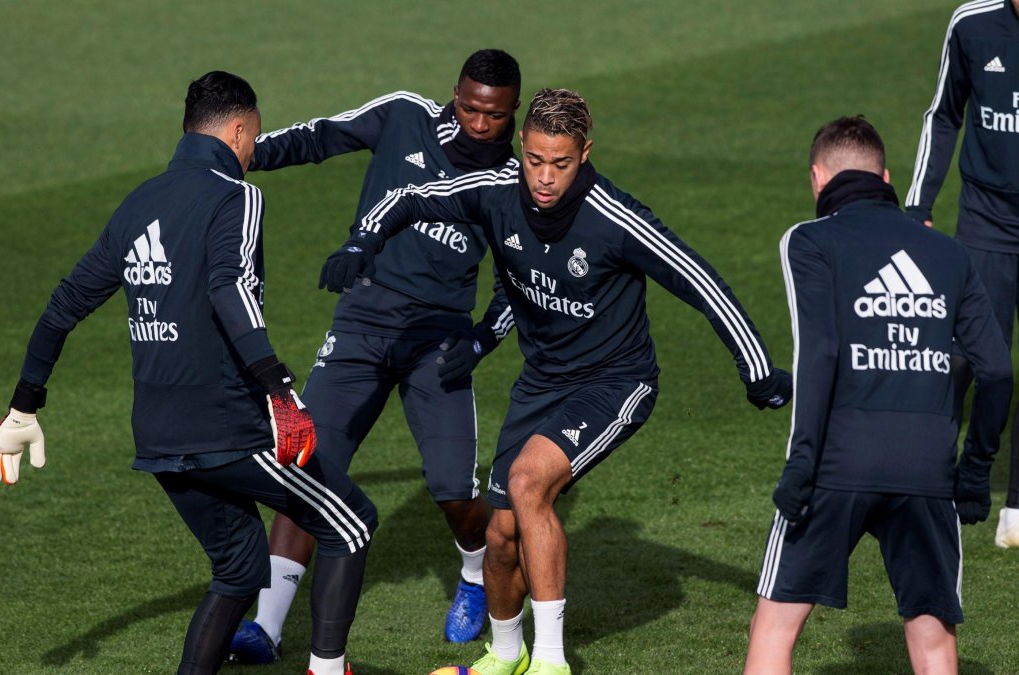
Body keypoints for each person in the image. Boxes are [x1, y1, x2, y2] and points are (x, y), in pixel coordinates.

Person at [318, 88, 792, 675]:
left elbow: (700, 281)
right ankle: (506, 654)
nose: (544, 177)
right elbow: (411, 198)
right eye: (535, 160)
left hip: (613, 383)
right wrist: (362, 241)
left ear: (585, 153)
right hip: (540, 384)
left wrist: (758, 369)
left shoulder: (616, 219)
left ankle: (549, 662)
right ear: (521, 146)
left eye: (560, 163)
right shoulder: (496, 191)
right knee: (499, 538)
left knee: (527, 482)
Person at [0, 70, 377, 675]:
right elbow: (228, 288)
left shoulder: (140, 201)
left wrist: (23, 407)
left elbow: (65, 304)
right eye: (254, 138)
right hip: (230, 427)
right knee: (349, 525)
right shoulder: (235, 195)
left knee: (242, 568)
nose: (252, 152)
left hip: (159, 437)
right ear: (240, 130)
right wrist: (280, 388)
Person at [228, 49, 521, 661]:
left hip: (438, 340)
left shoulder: (514, 186)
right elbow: (319, 138)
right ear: (455, 94)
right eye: (468, 108)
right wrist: (241, 155)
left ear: (512, 111)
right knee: (310, 462)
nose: (478, 123)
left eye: (493, 115)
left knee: (451, 489)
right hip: (362, 322)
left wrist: (479, 340)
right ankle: (268, 626)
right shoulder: (404, 115)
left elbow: (516, 286)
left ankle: (472, 573)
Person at [745, 116, 1012, 675]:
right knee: (933, 640)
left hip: (837, 466)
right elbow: (997, 372)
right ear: (887, 176)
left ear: (818, 179)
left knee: (774, 630)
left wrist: (801, 465)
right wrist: (973, 470)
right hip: (927, 473)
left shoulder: (810, 240)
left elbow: (819, 354)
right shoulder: (950, 254)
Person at [906, 0, 1019, 547]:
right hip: (986, 221)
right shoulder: (971, 23)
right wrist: (917, 205)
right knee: (967, 355)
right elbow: (944, 113)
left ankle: (1016, 505)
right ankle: (931, 475)